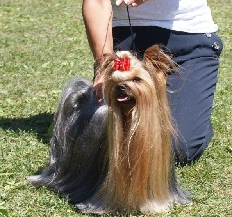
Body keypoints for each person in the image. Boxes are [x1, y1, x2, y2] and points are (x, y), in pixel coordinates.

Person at [82, 0, 223, 165]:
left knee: (175, 148)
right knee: (104, 146)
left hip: (188, 39)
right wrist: (102, 67)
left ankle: (193, 115)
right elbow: (96, 3)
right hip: (125, 41)